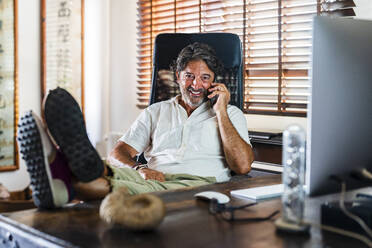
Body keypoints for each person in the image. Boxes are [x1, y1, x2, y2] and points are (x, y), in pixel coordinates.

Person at [18, 42, 254, 209]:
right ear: (177, 76)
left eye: (205, 77)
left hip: (193, 185)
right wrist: (138, 169)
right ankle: (59, 175)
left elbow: (242, 166)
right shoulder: (156, 111)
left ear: (215, 81)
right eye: (189, 75)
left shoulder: (230, 114)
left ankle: (56, 166)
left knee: (96, 181)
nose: (196, 84)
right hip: (151, 177)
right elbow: (118, 153)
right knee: (103, 166)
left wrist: (220, 110)